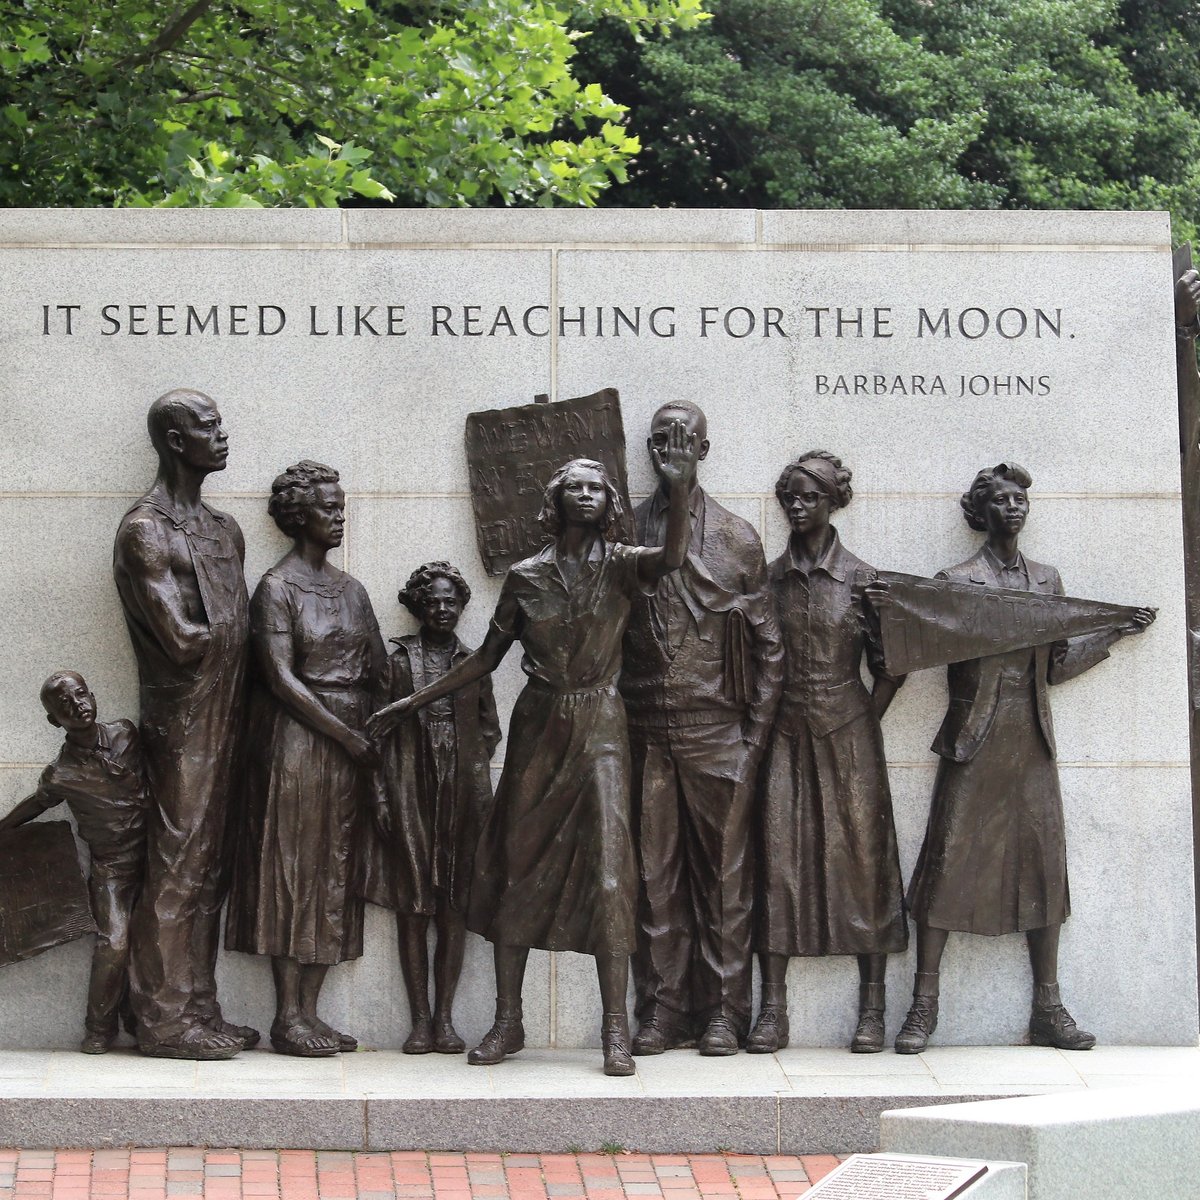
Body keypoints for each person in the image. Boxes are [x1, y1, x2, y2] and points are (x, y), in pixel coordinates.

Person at [368, 424, 698, 1076]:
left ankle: (614, 1029)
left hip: (602, 722)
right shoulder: (525, 577)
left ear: (607, 503)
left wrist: (681, 491)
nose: (585, 494)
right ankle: (508, 1020)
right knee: (516, 869)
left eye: (595, 487)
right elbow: (487, 659)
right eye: (573, 486)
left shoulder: (625, 564)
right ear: (555, 501)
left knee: (610, 870)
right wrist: (413, 701)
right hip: (538, 729)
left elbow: (673, 559)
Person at [889, 462, 1155, 1053]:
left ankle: (1048, 1007)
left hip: (1030, 740)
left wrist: (1109, 634)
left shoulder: (1046, 581)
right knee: (947, 865)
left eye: (1019, 501)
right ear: (980, 512)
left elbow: (1055, 665)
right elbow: (926, 648)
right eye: (1001, 501)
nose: (1013, 509)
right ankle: (923, 1005)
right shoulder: (958, 580)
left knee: (1043, 868)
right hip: (975, 739)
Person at [619, 401, 783, 1056]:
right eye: (661, 438)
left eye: (685, 439)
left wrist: (754, 741)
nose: (671, 449)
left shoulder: (738, 537)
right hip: (645, 728)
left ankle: (724, 1012)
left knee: (724, 878)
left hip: (719, 729)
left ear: (705, 450)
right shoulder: (625, 530)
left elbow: (770, 647)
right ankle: (661, 1010)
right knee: (652, 879)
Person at [113, 387, 256, 1060]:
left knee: (210, 866)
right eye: (209, 427)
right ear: (176, 441)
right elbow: (181, 638)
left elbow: (224, 632)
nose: (222, 436)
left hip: (231, 709)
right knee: (175, 863)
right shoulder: (146, 530)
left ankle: (199, 1006)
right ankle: (161, 1020)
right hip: (181, 715)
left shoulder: (225, 530)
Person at [225, 461, 386, 1057]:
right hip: (297, 743)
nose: (339, 515)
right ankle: (287, 1016)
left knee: (336, 868)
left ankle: (312, 1014)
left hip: (352, 741)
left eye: (342, 506)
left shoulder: (352, 589)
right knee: (292, 868)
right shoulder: (276, 588)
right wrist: (345, 735)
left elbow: (377, 664)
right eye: (328, 507)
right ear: (298, 516)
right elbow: (280, 679)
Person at [749, 452, 907, 1056]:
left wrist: (863, 720)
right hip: (784, 735)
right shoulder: (767, 580)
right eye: (788, 495)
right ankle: (772, 1010)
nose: (796, 504)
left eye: (808, 495)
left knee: (864, 864)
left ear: (833, 501)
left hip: (850, 737)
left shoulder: (865, 580)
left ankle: (872, 1010)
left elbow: (892, 666)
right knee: (777, 862)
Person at [362, 561, 501, 1055]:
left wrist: (467, 773)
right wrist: (380, 793)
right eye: (434, 602)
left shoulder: (473, 660)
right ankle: (419, 1020)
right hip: (409, 784)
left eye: (451, 602)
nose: (443, 610)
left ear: (462, 607)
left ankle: (445, 1019)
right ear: (419, 607)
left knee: (453, 908)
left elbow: (490, 729)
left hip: (461, 791)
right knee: (414, 904)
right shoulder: (398, 660)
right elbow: (373, 732)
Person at [0, 672, 149, 1054]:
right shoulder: (60, 774)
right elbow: (35, 805)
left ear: (92, 695)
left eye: (80, 695)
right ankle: (99, 1027)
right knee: (114, 943)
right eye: (64, 704)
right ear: (54, 721)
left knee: (159, 940)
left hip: (155, 857)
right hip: (111, 868)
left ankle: (146, 1017)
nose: (77, 705)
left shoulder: (127, 735)